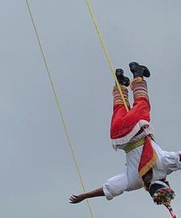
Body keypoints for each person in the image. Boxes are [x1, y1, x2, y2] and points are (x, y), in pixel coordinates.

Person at [70, 63, 179, 208]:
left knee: (142, 104)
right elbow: (109, 188)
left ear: (165, 181)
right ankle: (120, 84)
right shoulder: (134, 181)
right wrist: (85, 196)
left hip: (137, 128)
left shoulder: (164, 165)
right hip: (118, 136)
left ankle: (138, 74)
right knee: (119, 108)